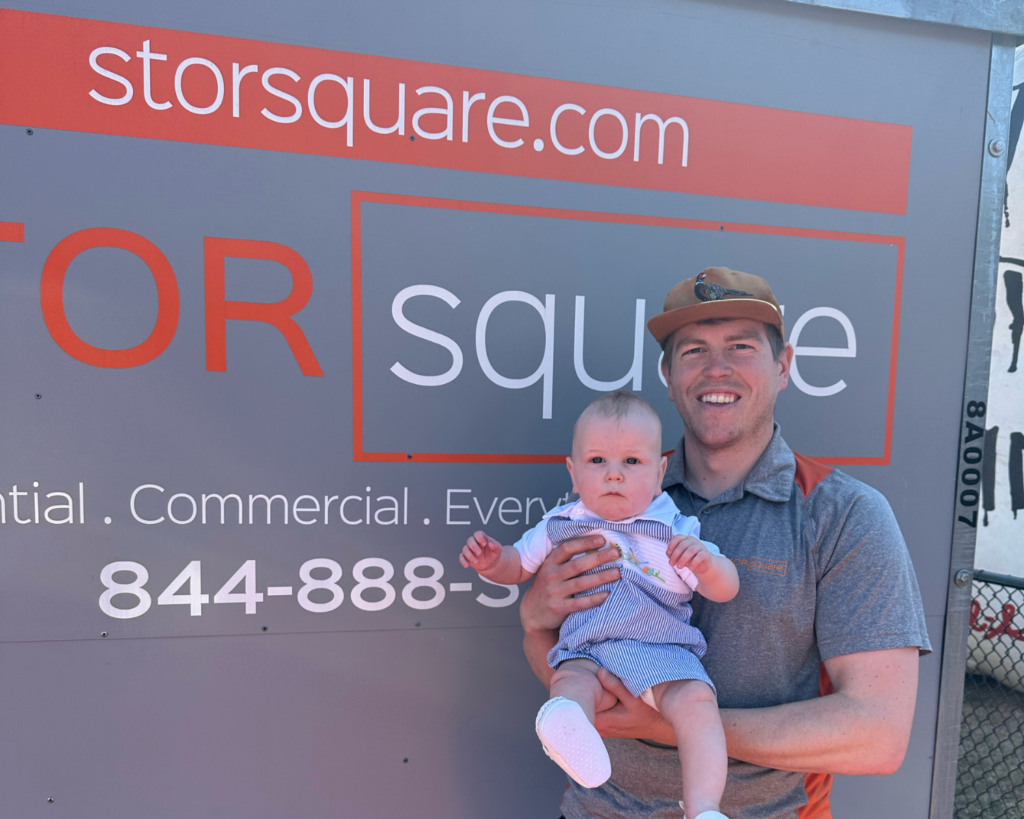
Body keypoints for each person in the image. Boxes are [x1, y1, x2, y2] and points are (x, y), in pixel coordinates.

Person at [518, 267, 932, 819]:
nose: (717, 369)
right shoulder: (609, 497)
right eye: (693, 351)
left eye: (740, 346)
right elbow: (547, 649)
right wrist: (533, 615)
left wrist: (673, 723)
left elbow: (877, 736)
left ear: (782, 367)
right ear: (668, 376)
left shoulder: (843, 515)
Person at [461, 391, 739, 819]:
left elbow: (725, 589)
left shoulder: (674, 528)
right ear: (572, 472)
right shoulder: (562, 524)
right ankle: (566, 727)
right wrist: (493, 561)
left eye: (631, 462)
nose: (614, 475)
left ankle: (703, 808)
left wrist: (708, 565)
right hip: (589, 646)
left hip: (662, 651)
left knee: (697, 703)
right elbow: (518, 565)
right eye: (597, 462)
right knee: (569, 682)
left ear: (660, 471)